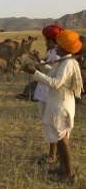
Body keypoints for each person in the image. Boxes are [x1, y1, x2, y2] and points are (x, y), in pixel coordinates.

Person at [23, 30, 83, 182]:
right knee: (60, 138)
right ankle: (62, 168)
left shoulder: (68, 63)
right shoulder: (64, 61)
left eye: (58, 46)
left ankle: (68, 175)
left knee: (62, 139)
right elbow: (53, 75)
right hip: (58, 103)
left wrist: (35, 73)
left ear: (65, 48)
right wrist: (38, 68)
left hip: (61, 105)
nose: (55, 48)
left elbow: (56, 83)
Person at [33, 25, 62, 164]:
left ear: (52, 40)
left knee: (52, 124)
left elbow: (53, 72)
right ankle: (52, 154)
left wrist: (41, 61)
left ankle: (53, 155)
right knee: (48, 124)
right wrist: (39, 60)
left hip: (50, 92)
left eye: (47, 40)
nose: (45, 42)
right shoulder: (51, 52)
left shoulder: (58, 55)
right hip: (44, 91)